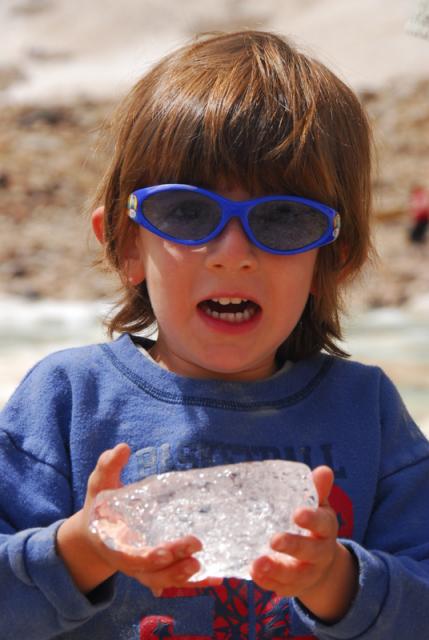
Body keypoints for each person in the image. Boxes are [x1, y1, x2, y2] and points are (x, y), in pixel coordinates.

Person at [1, 30, 429, 640]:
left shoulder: (370, 414)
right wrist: (81, 549)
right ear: (126, 245)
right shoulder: (68, 401)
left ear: (335, 260)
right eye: (186, 211)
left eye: (282, 218)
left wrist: (335, 580)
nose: (233, 254)